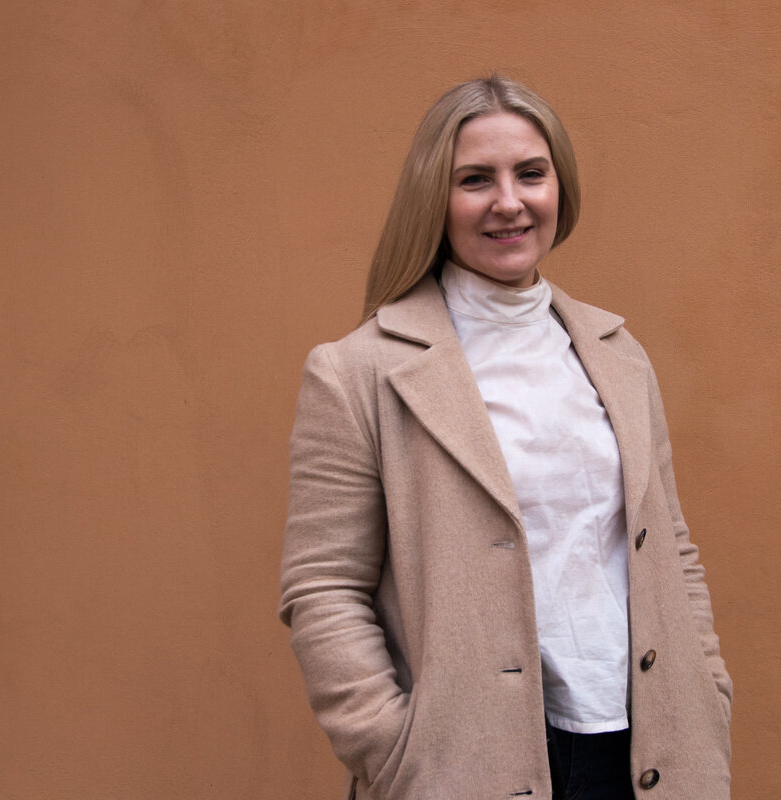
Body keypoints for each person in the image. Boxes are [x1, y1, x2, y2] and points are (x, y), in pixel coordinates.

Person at [279, 76, 732, 800]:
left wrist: (708, 692)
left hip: (647, 748)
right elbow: (323, 586)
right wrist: (393, 751)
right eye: (475, 180)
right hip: (467, 765)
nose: (509, 202)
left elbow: (669, 545)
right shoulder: (359, 372)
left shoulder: (617, 354)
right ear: (434, 197)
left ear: (560, 187)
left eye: (530, 173)